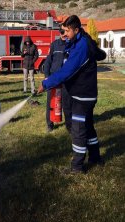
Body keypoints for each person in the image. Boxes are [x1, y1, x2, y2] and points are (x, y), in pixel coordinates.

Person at [37, 15, 106, 174]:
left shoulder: (82, 47)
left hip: (82, 97)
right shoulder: (79, 41)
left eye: (67, 31)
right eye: (63, 30)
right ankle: (95, 157)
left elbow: (67, 71)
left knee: (78, 130)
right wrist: (68, 41)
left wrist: (46, 83)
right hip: (84, 95)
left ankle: (77, 167)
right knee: (88, 127)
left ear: (76, 30)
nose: (64, 33)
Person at [43, 27, 68, 132]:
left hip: (66, 79)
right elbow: (48, 61)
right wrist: (47, 75)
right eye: (62, 32)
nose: (63, 34)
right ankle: (50, 124)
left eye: (65, 32)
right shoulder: (54, 44)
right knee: (51, 102)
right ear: (59, 33)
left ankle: (69, 124)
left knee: (66, 102)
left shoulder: (71, 45)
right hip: (53, 77)